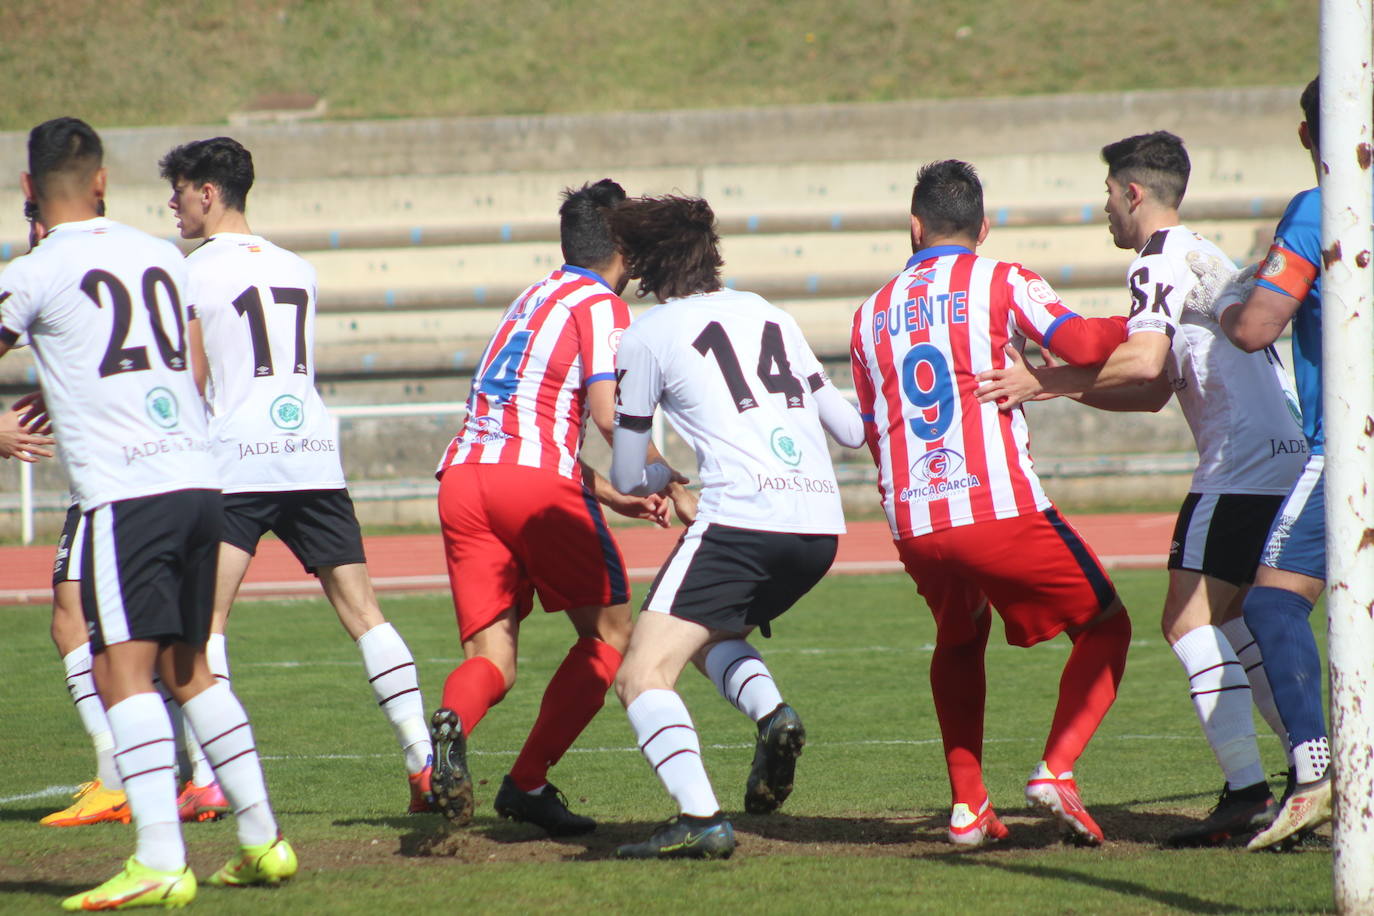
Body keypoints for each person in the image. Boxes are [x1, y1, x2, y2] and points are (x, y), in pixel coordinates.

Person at [973, 131, 1303, 846]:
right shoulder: (1201, 253)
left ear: (1132, 193)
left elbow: (1142, 357)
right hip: (1281, 458)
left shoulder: (1157, 259)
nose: (1106, 215)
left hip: (1239, 468)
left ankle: (1249, 790)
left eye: (1107, 199)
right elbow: (1152, 391)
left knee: (1185, 623)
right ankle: (1309, 779)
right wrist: (1056, 387)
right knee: (1241, 625)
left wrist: (1043, 379)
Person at [0, 117, 294, 910]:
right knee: (190, 666)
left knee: (119, 669)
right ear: (101, 182)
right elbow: (186, 359)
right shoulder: (161, 254)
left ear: (28, 189)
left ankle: (162, 858)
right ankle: (263, 840)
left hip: (124, 496)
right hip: (201, 483)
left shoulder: (33, 272)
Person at [851, 160, 1135, 848]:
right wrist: (1147, 321)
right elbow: (1078, 343)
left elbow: (869, 429)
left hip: (915, 519)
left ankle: (968, 806)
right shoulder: (999, 278)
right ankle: (1056, 771)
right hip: (996, 507)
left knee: (959, 638)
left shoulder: (868, 313)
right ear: (983, 226)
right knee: (1107, 627)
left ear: (913, 226)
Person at [159, 137, 435, 813]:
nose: (173, 202)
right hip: (309, 446)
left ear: (209, 193)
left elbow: (195, 374)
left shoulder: (186, 271)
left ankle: (209, 780)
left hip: (235, 459)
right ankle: (425, 763)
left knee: (205, 622)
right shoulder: (298, 267)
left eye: (180, 188)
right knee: (364, 611)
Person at [429, 179, 692, 837]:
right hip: (534, 487)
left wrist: (614, 493)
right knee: (610, 636)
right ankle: (525, 783)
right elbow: (609, 417)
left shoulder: (530, 299)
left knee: (492, 656)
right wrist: (666, 479)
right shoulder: (601, 306)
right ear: (623, 249)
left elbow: (526, 423)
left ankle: (454, 723)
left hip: (463, 479)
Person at [609, 194, 864, 860]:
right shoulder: (770, 313)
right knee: (704, 634)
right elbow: (851, 430)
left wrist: (668, 483)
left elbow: (631, 472)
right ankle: (772, 716)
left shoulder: (647, 335)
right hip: (818, 527)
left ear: (644, 266)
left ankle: (699, 818)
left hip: (743, 520)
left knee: (640, 675)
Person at [1184, 77, 1352, 851]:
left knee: (1270, 604)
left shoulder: (1321, 204)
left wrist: (1220, 297)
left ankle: (1316, 775)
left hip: (1352, 443)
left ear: (1305, 134)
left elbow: (1255, 328)